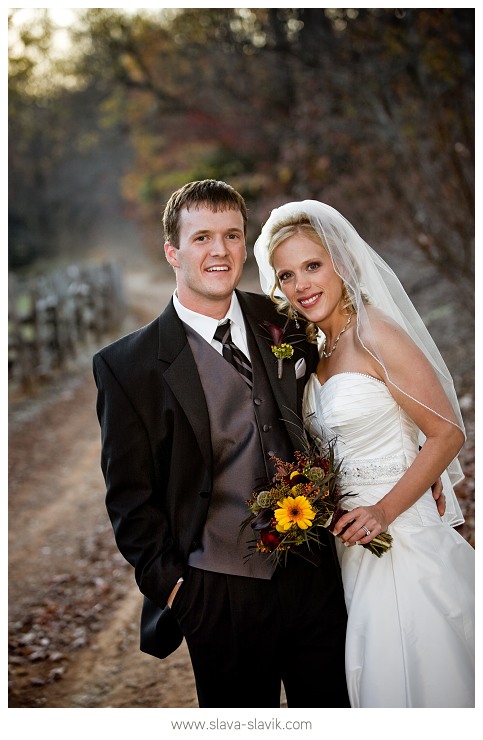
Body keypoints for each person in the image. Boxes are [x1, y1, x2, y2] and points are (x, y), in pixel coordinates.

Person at [93, 180, 350, 708]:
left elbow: (353, 389)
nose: (220, 251)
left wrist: (419, 466)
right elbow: (129, 499)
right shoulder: (128, 367)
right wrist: (175, 590)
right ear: (173, 252)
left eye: (232, 235)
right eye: (202, 237)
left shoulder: (286, 321)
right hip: (218, 593)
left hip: (315, 576)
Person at [253, 199, 475, 708]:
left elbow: (445, 433)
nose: (301, 285)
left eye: (312, 266)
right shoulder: (314, 347)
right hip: (348, 550)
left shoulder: (378, 334)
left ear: (344, 264)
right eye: (286, 275)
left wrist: (384, 509)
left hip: (401, 539)